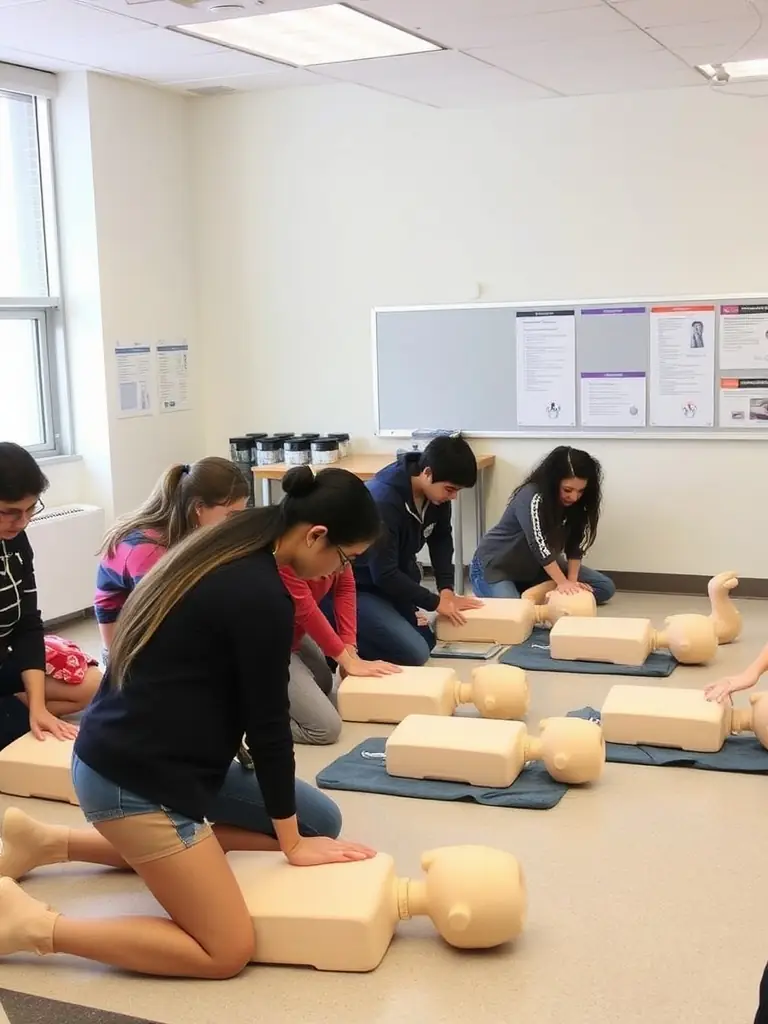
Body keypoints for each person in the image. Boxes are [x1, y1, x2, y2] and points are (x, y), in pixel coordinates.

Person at [0, 465, 380, 977]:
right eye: (342, 559)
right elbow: (269, 727)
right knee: (225, 950)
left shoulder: (235, 539)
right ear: (316, 536)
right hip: (132, 778)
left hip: (161, 751)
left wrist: (298, 838)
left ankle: (49, 843)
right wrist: (290, 845)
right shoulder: (259, 591)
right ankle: (31, 927)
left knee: (322, 827)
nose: (335, 574)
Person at [94, 458, 250, 656]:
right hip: (128, 650)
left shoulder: (182, 530)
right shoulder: (147, 551)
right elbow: (170, 620)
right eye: (231, 515)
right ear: (199, 508)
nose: (235, 525)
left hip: (152, 629)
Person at [352, 436, 482, 666]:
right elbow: (383, 574)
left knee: (426, 641)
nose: (453, 497)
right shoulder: (384, 500)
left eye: (457, 491)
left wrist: (446, 590)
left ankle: (384, 623)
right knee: (415, 653)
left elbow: (442, 539)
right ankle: (346, 645)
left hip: (391, 586)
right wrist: (433, 602)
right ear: (428, 472)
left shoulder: (435, 496)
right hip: (359, 588)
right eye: (450, 489)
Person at [0, 443, 99, 739]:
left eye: (31, 509)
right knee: (14, 732)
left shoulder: (16, 540)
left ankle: (18, 707)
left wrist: (39, 706)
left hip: (5, 659)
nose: (24, 521)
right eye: (10, 512)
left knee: (94, 684)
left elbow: (28, 624)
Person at [470, 446, 615, 604]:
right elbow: (539, 546)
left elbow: (574, 544)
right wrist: (562, 582)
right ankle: (532, 598)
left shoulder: (576, 504)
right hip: (497, 567)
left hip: (536, 567)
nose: (574, 497)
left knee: (604, 587)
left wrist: (571, 582)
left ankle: (535, 595)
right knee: (518, 614)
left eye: (580, 491)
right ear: (554, 482)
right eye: (568, 490)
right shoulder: (532, 496)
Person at [278, 562, 399, 745]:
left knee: (324, 684)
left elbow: (345, 589)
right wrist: (346, 660)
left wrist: (350, 649)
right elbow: (307, 611)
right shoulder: (287, 561)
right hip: (265, 642)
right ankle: (245, 715)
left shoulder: (337, 554)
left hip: (294, 634)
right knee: (324, 729)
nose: (344, 566)